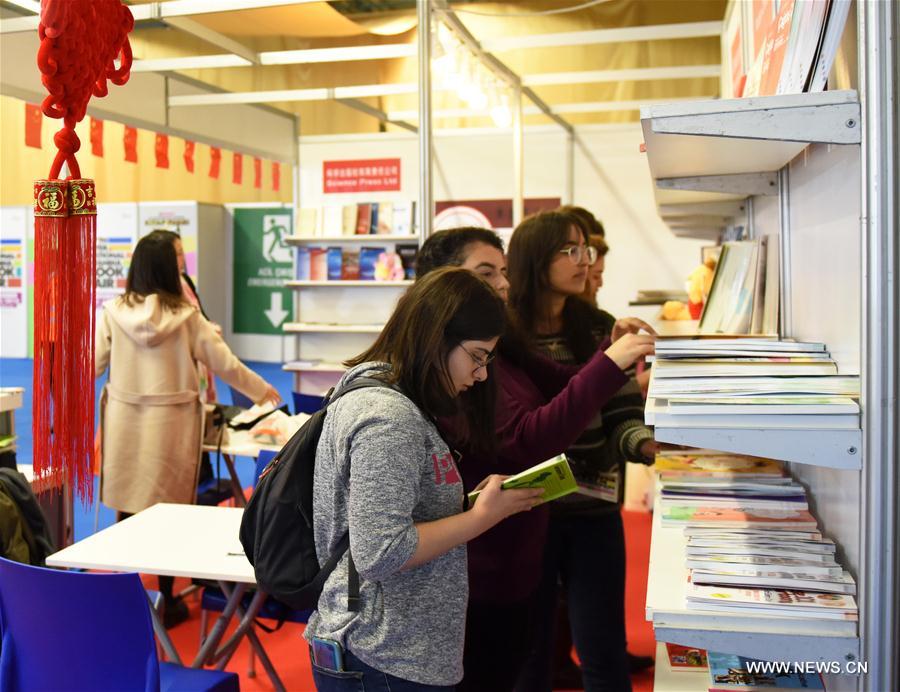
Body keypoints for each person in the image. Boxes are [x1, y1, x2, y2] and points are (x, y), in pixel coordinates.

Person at [414, 228, 655, 691]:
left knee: (550, 654)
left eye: (503, 273)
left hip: (520, 548)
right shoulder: (456, 363)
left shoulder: (504, 344)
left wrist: (609, 356)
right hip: (485, 564)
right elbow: (527, 439)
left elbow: (567, 384)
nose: (502, 285)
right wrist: (610, 362)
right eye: (487, 274)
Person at [304, 267, 545, 691]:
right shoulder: (389, 417)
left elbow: (393, 519)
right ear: (437, 337)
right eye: (476, 355)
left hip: (388, 647)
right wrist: (481, 518)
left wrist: (470, 506)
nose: (481, 373)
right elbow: (381, 551)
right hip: (383, 653)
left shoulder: (391, 400)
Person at [95, 230, 280, 626]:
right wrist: (261, 389)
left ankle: (127, 595)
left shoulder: (111, 312)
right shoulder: (187, 317)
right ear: (166, 266)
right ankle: (166, 596)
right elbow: (225, 364)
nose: (184, 263)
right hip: (172, 425)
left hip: (125, 422)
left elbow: (91, 365)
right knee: (169, 512)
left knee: (127, 507)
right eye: (178, 256)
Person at [509, 210, 658, 692]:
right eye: (570, 251)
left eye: (586, 251)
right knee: (528, 655)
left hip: (593, 508)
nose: (584, 261)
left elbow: (620, 413)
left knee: (604, 650)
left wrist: (646, 446)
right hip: (526, 511)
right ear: (535, 259)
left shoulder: (599, 326)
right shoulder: (506, 334)